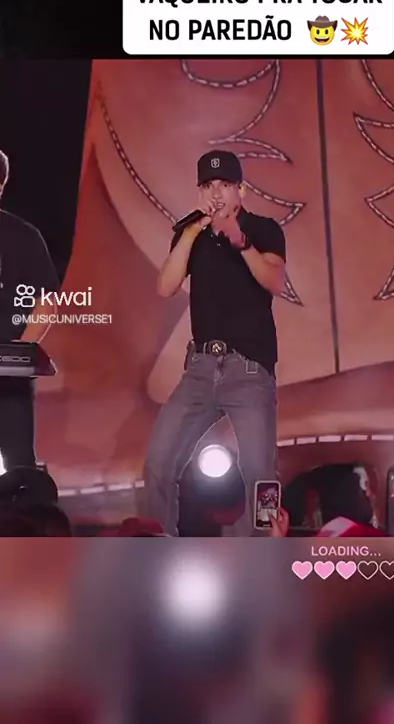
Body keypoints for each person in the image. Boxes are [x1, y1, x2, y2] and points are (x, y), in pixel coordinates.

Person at [144, 150, 286, 536]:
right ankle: (155, 551)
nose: (216, 193)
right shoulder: (191, 233)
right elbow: (166, 286)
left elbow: (275, 281)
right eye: (208, 185)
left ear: (242, 189)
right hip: (201, 369)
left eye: (225, 185)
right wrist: (192, 232)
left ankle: (262, 554)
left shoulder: (263, 230)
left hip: (248, 369)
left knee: (260, 475)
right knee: (158, 463)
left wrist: (241, 243)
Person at [0, 150, 59, 469]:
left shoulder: (23, 236)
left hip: (8, 380)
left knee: (17, 467)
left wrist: (20, 352)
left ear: (1, 185)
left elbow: (47, 301)